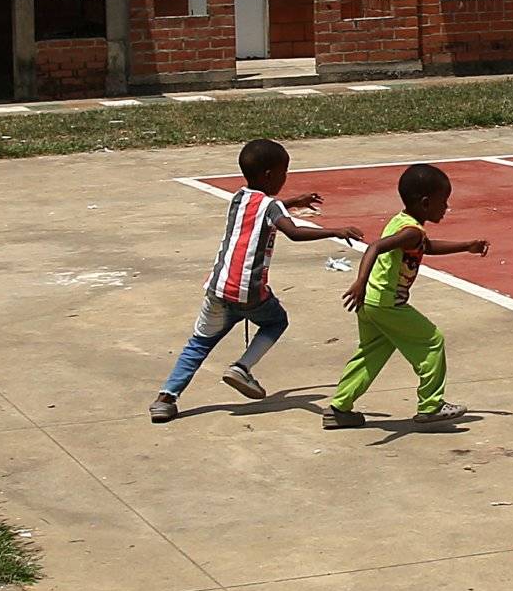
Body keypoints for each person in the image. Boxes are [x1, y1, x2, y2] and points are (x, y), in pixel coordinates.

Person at [150, 138, 361, 422]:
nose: (286, 178)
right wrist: (336, 230)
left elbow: (263, 209)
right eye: (284, 173)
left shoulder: (239, 198)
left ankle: (166, 398)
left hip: (218, 288)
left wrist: (292, 202)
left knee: (199, 343)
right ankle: (242, 367)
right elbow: (294, 232)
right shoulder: (272, 206)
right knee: (276, 321)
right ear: (270, 175)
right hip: (249, 293)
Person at [325, 164, 488, 429]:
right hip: (386, 302)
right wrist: (359, 282)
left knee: (372, 352)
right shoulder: (411, 231)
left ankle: (339, 408)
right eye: (442, 202)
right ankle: (431, 405)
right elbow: (375, 247)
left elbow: (428, 247)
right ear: (425, 203)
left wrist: (466, 246)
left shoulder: (404, 223)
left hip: (372, 303)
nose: (446, 208)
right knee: (432, 340)